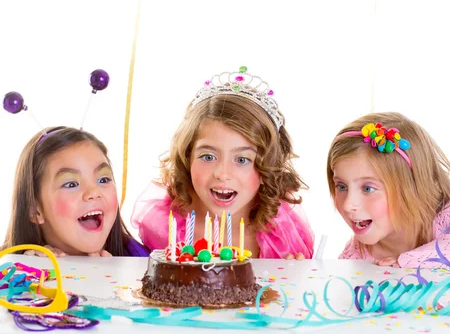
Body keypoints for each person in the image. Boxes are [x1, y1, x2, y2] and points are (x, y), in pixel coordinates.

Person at [132, 67, 314, 259]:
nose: (222, 173)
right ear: (188, 157)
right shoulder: (166, 227)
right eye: (208, 157)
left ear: (267, 168)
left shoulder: (282, 235)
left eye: (242, 160)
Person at [327, 112, 450, 267]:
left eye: (368, 188)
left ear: (412, 188)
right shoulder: (354, 258)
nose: (347, 204)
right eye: (341, 186)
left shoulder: (445, 217)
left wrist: (409, 262)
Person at [3, 126, 149, 257]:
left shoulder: (141, 261)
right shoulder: (7, 269)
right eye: (71, 184)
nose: (93, 192)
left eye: (103, 180)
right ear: (35, 210)